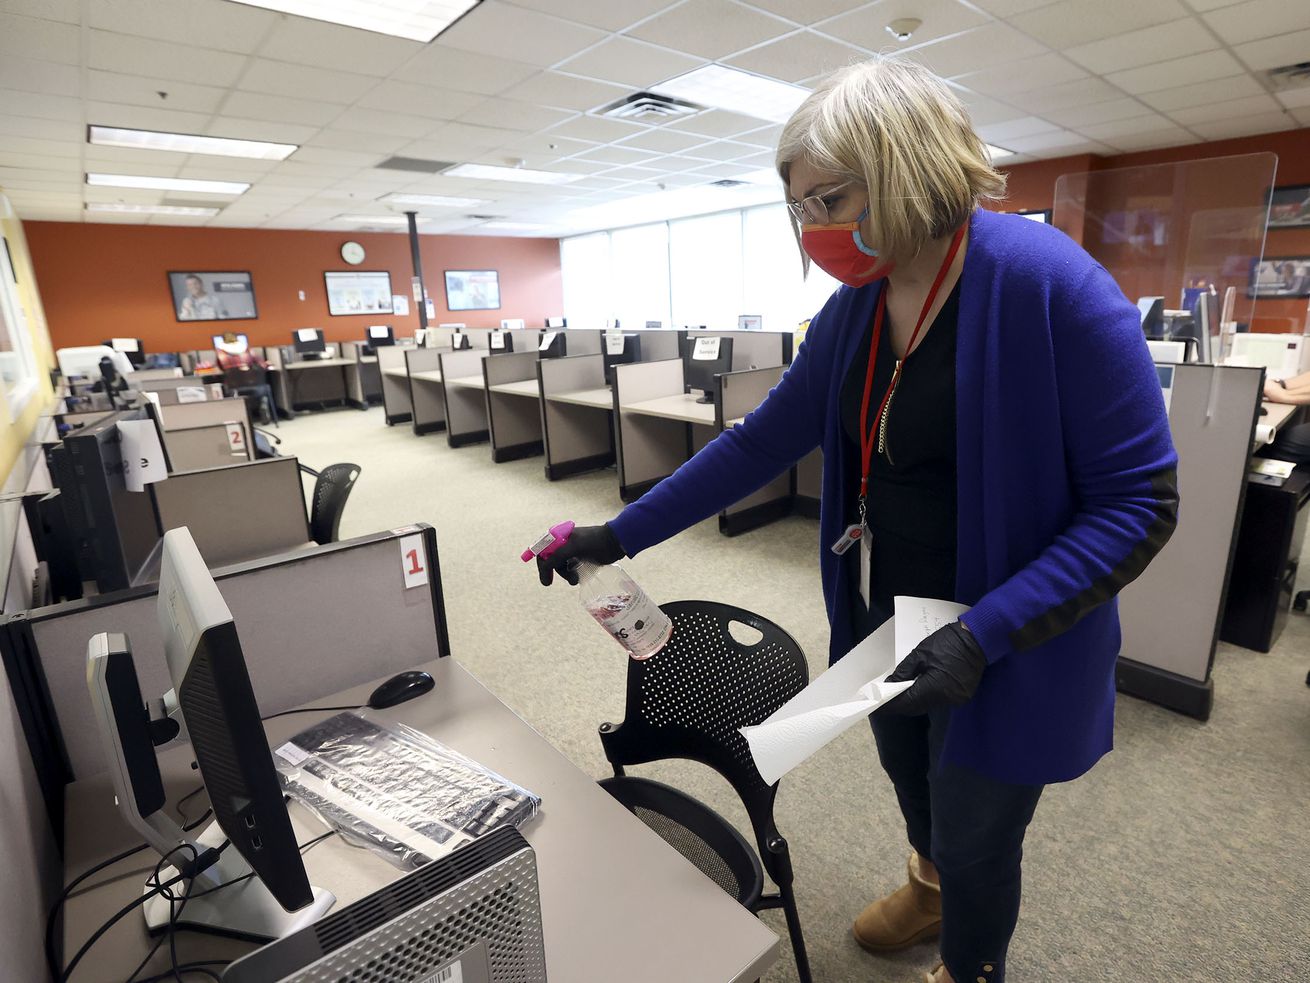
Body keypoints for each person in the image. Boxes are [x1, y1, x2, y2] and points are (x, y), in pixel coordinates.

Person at [536, 57, 1179, 983]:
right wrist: (617, 532)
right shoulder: (858, 305)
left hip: (1008, 632)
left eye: (831, 200)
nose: (815, 231)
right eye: (800, 208)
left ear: (910, 166)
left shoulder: (1053, 288)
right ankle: (929, 887)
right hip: (884, 619)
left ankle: (970, 962)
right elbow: (760, 444)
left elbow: (1138, 505)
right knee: (912, 780)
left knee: (979, 823)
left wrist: (984, 634)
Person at [215, 332, 278, 423]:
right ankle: (263, 403)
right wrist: (266, 364)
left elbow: (221, 368)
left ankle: (236, 415)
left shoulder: (220, 353)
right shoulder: (246, 349)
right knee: (264, 388)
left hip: (234, 387)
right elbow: (261, 364)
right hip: (255, 385)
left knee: (226, 388)